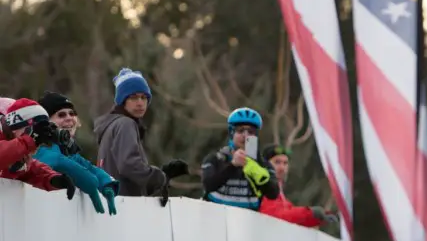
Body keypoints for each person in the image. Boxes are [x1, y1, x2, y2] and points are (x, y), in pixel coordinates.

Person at [93, 68, 189, 198]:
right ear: (122, 100)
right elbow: (129, 165)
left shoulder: (111, 126)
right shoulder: (125, 124)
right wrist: (160, 177)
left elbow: (125, 177)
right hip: (125, 207)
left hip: (116, 203)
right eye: (133, 97)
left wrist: (160, 176)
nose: (140, 103)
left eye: (144, 97)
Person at [34, 91, 120, 215]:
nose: (69, 118)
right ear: (47, 123)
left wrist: (107, 185)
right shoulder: (41, 146)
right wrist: (72, 171)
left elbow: (90, 168)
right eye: (61, 115)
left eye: (72, 113)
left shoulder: (69, 150)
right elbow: (48, 161)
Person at [201, 107, 280, 208]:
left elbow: (273, 194)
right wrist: (232, 166)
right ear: (231, 133)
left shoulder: (263, 163)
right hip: (217, 218)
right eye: (240, 130)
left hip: (248, 220)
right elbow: (208, 185)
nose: (245, 135)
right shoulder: (215, 159)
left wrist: (256, 171)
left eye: (250, 132)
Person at [0, 98, 76, 195]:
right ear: (14, 128)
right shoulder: (14, 145)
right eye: (30, 131)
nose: (36, 141)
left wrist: (54, 179)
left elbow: (31, 170)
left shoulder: (21, 154)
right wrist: (30, 140)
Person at [259, 144, 338, 226]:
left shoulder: (279, 194)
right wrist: (310, 212)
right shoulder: (264, 187)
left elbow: (292, 216)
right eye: (277, 162)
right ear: (265, 164)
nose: (282, 168)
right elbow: (275, 216)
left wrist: (318, 217)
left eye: (285, 163)